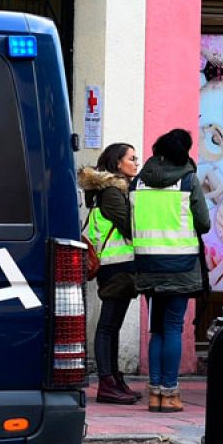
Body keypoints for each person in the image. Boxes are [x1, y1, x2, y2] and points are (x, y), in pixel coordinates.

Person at [133, 128, 211, 413]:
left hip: (147, 266)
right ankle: (170, 392)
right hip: (180, 266)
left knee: (156, 330)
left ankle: (154, 394)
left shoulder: (138, 183)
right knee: (173, 328)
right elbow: (203, 223)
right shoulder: (188, 181)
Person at [78, 142, 141, 405]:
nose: (137, 163)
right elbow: (129, 226)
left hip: (116, 267)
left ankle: (115, 379)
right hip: (116, 267)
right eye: (132, 158)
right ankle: (107, 383)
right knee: (108, 326)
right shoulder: (113, 192)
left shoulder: (111, 190)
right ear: (117, 163)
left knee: (112, 326)